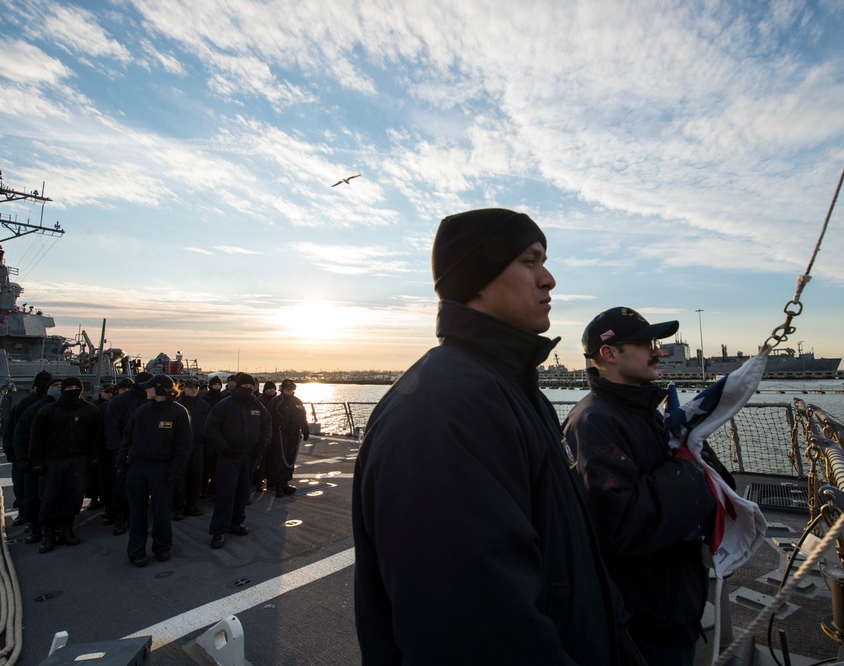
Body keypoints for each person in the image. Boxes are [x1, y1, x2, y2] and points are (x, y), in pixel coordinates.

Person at [352, 208, 636, 664]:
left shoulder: (510, 391)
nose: (549, 279)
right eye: (531, 261)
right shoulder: (446, 411)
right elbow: (479, 635)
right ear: (477, 277)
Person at [563, 307, 719, 665]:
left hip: (671, 611)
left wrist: (700, 471)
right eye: (645, 343)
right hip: (640, 626)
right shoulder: (593, 423)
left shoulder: (648, 413)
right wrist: (693, 473)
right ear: (609, 353)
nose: (658, 351)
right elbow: (619, 523)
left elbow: (715, 478)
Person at [117, 375, 192, 567]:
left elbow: (184, 446)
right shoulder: (141, 411)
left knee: (161, 511)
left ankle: (162, 546)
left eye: (149, 388)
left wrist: (176, 470)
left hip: (162, 468)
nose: (146, 390)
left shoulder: (179, 413)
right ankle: (136, 551)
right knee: (137, 512)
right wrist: (121, 465)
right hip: (138, 467)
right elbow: (126, 439)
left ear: (159, 390)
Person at [28, 378, 104, 553]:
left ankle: (67, 529)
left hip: (79, 459)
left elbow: (96, 436)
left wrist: (93, 457)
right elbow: (36, 438)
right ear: (62, 390)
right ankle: (48, 533)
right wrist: (36, 461)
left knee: (73, 496)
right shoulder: (48, 412)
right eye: (69, 387)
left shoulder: (90, 411)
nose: (73, 390)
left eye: (76, 387)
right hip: (53, 459)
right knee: (49, 496)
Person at [205, 372, 271, 549]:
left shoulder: (258, 406)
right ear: (238, 386)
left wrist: (262, 446)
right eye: (245, 387)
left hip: (248, 456)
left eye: (251, 387)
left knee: (243, 492)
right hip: (229, 456)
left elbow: (267, 427)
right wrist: (224, 448)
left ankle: (236, 522)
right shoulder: (224, 405)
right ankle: (219, 530)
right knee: (226, 494)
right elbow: (211, 429)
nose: (248, 390)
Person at [12, 377, 62, 547]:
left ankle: (57, 526)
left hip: (61, 459)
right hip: (37, 460)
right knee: (33, 495)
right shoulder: (33, 409)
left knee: (59, 495)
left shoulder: (73, 408)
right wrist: (21, 457)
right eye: (56, 386)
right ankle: (34, 526)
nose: (60, 389)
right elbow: (20, 434)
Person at [104, 371, 154, 536]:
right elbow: (112, 428)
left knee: (141, 489)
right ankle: (119, 516)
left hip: (146, 453)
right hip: (124, 452)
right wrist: (119, 451)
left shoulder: (153, 401)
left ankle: (137, 516)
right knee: (120, 487)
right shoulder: (121, 401)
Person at [2, 370, 54, 527]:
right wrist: (14, 453)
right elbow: (15, 431)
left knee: (41, 488)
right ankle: (26, 515)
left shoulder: (54, 405)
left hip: (47, 454)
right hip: (27, 453)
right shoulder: (25, 405)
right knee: (25, 487)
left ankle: (38, 518)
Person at [174, 377, 211, 519]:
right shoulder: (177, 405)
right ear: (184, 388)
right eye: (190, 387)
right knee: (180, 478)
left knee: (196, 477)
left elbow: (209, 426)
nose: (193, 389)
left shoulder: (204, 405)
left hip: (199, 446)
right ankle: (179, 506)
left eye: (196, 387)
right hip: (182, 449)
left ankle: (192, 504)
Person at [267, 379, 309, 497]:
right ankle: (278, 485)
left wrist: (305, 429)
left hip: (294, 433)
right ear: (282, 389)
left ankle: (285, 482)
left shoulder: (298, 402)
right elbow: (267, 418)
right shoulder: (276, 401)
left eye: (291, 389)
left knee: (290, 459)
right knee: (280, 459)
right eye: (287, 389)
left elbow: (303, 417)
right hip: (280, 434)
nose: (289, 391)